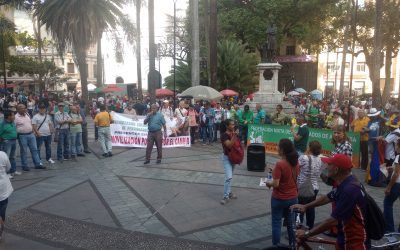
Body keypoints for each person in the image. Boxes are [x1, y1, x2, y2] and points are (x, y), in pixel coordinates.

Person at [292, 154, 370, 249]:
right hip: (344, 237)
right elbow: (328, 197)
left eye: (329, 164)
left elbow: (333, 221)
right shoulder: (347, 182)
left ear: (336, 169)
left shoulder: (349, 190)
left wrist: (307, 233)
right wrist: (306, 206)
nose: (326, 167)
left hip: (353, 242)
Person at [265, 138, 299, 247]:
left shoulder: (280, 164)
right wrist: (274, 171)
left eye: (278, 146)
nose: (277, 148)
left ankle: (276, 245)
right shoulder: (296, 162)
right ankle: (293, 245)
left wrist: (268, 183)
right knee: (290, 223)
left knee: (276, 222)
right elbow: (289, 176)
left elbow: (276, 184)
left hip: (279, 198)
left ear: (283, 150)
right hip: (293, 197)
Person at [297, 141, 322, 229]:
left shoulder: (304, 158)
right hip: (315, 187)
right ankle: (309, 228)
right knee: (311, 209)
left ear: (310, 148)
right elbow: (319, 173)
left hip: (303, 187)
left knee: (300, 208)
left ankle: (298, 228)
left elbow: (296, 168)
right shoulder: (319, 159)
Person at [15, 104, 44, 170]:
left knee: (34, 150)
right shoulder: (16, 117)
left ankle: (37, 164)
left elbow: (31, 123)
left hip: (31, 134)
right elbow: (14, 127)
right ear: (18, 109)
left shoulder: (27, 114)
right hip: (22, 136)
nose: (24, 109)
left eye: (24, 108)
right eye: (22, 108)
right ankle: (25, 165)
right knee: (24, 151)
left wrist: (34, 131)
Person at [220, 119, 239, 205]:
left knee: (230, 176)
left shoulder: (233, 133)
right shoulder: (224, 135)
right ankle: (225, 196)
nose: (233, 126)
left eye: (234, 124)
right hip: (226, 158)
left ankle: (229, 192)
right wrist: (234, 136)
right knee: (229, 177)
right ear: (227, 126)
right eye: (231, 125)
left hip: (233, 158)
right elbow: (229, 145)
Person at [384, 138, 400, 233]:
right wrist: (392, 168)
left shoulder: (398, 157)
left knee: (387, 204)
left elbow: (396, 174)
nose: (396, 147)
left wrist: (389, 187)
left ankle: (390, 230)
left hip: (397, 184)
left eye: (397, 145)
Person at [0, 111, 18, 177]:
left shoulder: (12, 122)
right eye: (13, 115)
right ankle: (6, 173)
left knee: (12, 157)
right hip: (7, 142)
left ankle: (13, 170)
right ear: (8, 116)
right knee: (6, 157)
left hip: (13, 141)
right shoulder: (2, 124)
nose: (14, 116)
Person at [0, 151, 12, 241]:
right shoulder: (2, 154)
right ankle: (0, 232)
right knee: (2, 211)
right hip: (2, 188)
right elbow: (8, 168)